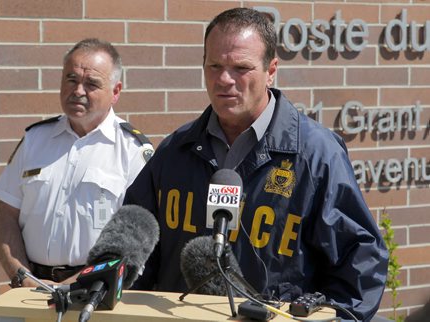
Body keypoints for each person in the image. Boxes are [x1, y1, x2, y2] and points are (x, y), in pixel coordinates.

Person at [123, 8, 388, 321]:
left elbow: (360, 264)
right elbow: (136, 247)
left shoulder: (316, 155)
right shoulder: (174, 150)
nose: (225, 79)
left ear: (271, 70)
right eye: (215, 66)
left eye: (241, 68)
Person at [0, 38, 153, 288]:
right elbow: (6, 216)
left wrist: (70, 287)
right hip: (27, 289)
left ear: (116, 92)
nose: (78, 91)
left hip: (95, 291)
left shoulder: (133, 151)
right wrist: (22, 277)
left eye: (91, 84)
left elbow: (134, 240)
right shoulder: (35, 139)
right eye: (71, 79)